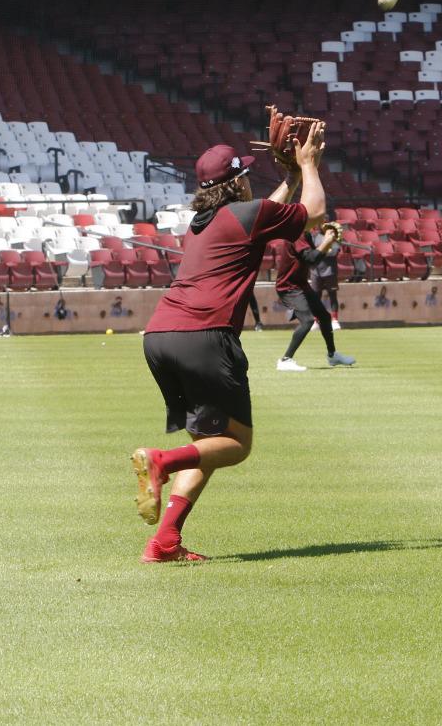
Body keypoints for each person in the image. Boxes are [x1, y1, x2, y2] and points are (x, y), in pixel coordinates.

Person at [130, 125, 327, 563]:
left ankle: (165, 542)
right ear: (237, 181)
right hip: (205, 335)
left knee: (206, 443)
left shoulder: (205, 222)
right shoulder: (245, 214)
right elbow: (313, 212)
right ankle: (160, 460)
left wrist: (290, 177)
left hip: (161, 335)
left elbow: (271, 210)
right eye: (246, 176)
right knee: (236, 445)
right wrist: (308, 165)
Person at [275, 223, 355, 371]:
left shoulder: (306, 235)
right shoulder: (296, 233)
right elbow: (310, 258)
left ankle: (332, 356)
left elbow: (313, 260)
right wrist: (326, 242)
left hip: (301, 284)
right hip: (289, 286)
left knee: (324, 317)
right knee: (308, 321)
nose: (319, 222)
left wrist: (327, 244)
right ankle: (285, 360)